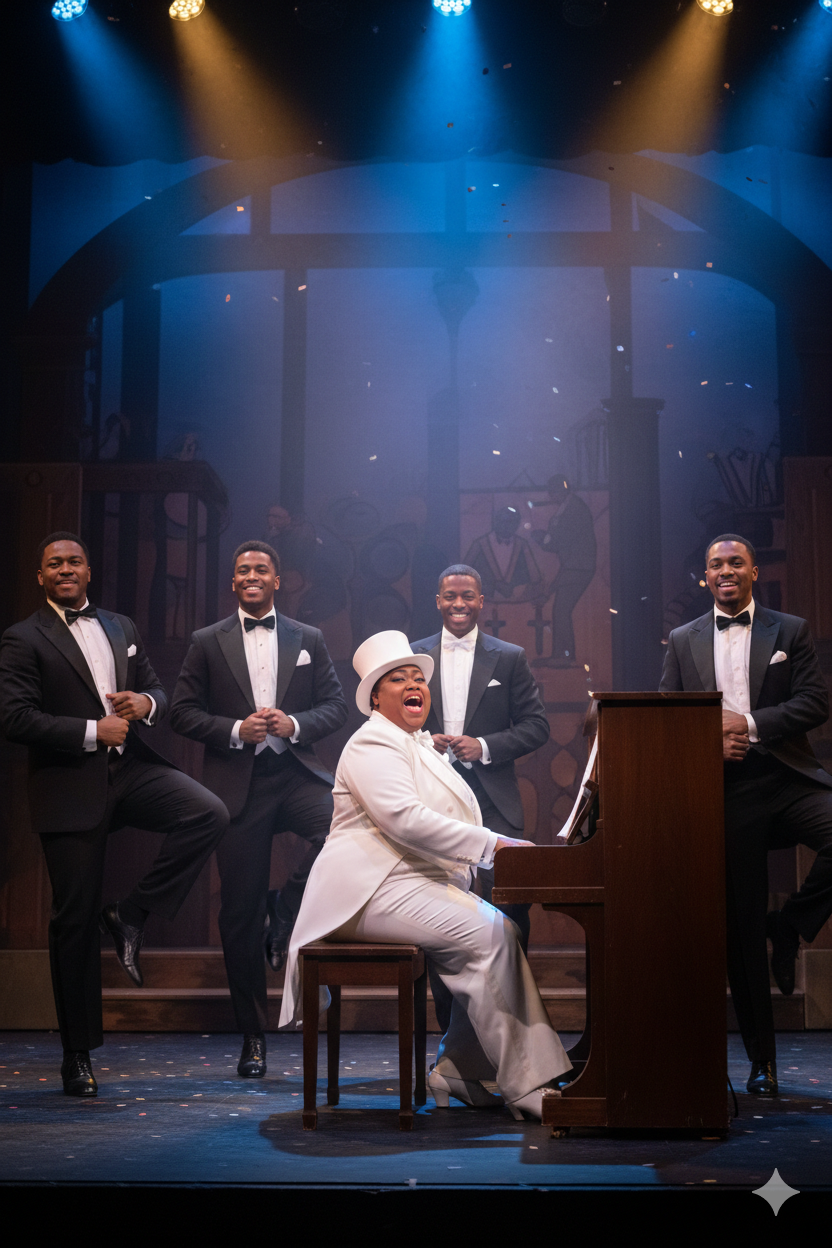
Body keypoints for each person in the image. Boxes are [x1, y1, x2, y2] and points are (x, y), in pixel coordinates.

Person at [279, 630, 572, 1119]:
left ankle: (461, 1070)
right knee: (492, 933)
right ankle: (527, 1084)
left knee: (498, 934)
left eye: (419, 677)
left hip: (404, 885)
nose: (414, 684)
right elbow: (405, 820)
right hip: (369, 891)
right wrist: (493, 846)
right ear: (376, 696)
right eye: (399, 678)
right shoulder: (372, 740)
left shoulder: (416, 746)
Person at [0, 533, 229, 1098]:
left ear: (89, 569)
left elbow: (155, 688)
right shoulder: (23, 637)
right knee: (73, 922)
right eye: (54, 563)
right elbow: (14, 717)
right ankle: (77, 1054)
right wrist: (89, 731)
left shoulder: (121, 626)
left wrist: (146, 704)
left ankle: (131, 913)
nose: (65, 569)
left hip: (129, 772)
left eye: (74, 560)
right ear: (41, 577)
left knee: (207, 811)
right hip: (70, 785)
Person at [660, 534, 832, 1096]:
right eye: (716, 565)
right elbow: (667, 717)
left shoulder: (792, 629)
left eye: (736, 562)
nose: (726, 571)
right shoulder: (683, 640)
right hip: (724, 792)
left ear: (754, 571)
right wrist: (712, 740)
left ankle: (793, 925)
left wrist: (749, 725)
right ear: (705, 576)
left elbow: (814, 701)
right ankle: (763, 1063)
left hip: (785, 776)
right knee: (741, 926)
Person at [170, 541, 348, 1079]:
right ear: (233, 583)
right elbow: (180, 712)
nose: (251, 575)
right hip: (237, 785)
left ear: (278, 581)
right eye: (243, 569)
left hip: (294, 776)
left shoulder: (308, 638)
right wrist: (232, 730)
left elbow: (337, 707)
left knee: (340, 829)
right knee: (239, 915)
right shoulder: (206, 641)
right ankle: (252, 1037)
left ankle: (287, 905)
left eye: (261, 569)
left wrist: (293, 725)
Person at [411, 564, 550, 954]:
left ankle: (512, 999)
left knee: (509, 899)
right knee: (437, 906)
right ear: (438, 601)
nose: (459, 603)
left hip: (493, 796)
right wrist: (424, 741)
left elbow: (537, 726)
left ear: (481, 602)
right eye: (450, 596)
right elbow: (390, 723)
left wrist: (484, 746)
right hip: (430, 795)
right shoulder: (412, 656)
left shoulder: (509, 657)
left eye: (467, 596)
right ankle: (452, 1013)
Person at [532, 476, 596, 667]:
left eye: (553, 491)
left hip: (577, 567)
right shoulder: (571, 507)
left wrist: (542, 539)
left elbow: (558, 542)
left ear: (559, 490)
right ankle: (564, 655)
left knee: (560, 610)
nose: (551, 495)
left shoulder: (572, 509)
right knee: (561, 610)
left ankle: (564, 656)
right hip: (576, 566)